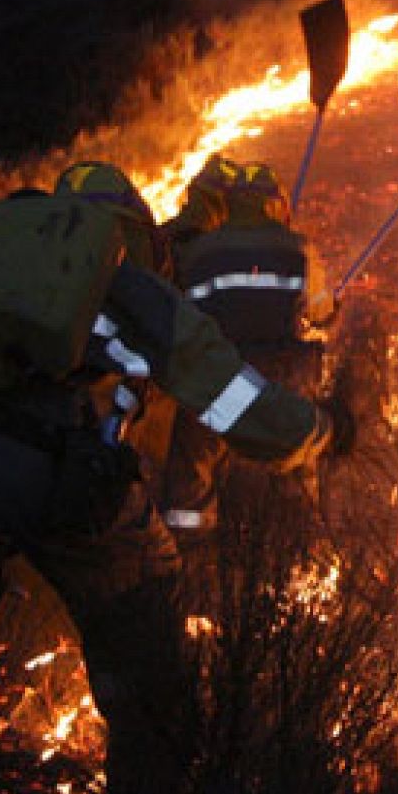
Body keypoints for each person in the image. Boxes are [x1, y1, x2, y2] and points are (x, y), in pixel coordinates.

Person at [0, 161, 353, 794]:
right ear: (134, 230)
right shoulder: (114, 273)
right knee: (147, 636)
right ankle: (150, 779)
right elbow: (227, 399)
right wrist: (322, 429)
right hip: (41, 459)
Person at [155, 158, 336, 615]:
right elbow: (320, 312)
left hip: (221, 379)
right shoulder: (297, 249)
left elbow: (184, 313)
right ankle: (304, 580)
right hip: (282, 379)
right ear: (277, 204)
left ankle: (187, 580)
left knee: (191, 474)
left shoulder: (201, 252)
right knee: (297, 466)